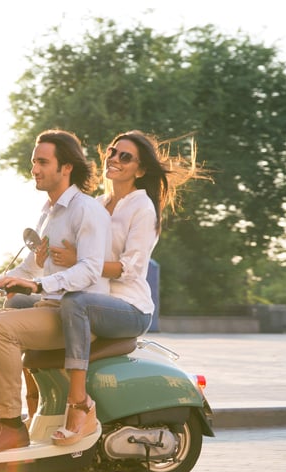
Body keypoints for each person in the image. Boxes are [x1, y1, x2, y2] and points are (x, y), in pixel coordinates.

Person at [48, 130, 205, 445]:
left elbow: (130, 268)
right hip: (97, 299)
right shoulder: (96, 202)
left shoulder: (142, 209)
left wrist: (78, 259)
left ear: (140, 170)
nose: (114, 159)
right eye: (111, 151)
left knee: (74, 304)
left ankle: (79, 405)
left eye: (125, 156)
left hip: (129, 308)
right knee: (31, 307)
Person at [0, 129, 111, 453]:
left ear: (66, 168)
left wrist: (38, 285)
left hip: (76, 314)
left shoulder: (85, 210)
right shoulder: (49, 213)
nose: (34, 168)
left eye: (43, 162)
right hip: (51, 307)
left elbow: (90, 269)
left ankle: (9, 425)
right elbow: (33, 268)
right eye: (34, 161)